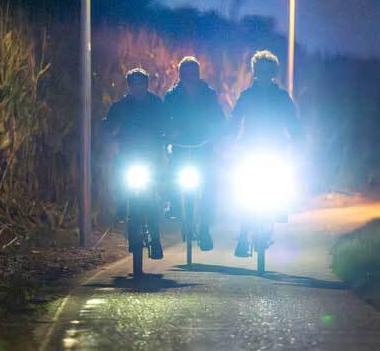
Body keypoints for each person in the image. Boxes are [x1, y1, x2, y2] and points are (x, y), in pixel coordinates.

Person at [230, 50, 302, 257]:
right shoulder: (246, 96)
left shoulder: (281, 97)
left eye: (267, 72)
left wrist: (298, 138)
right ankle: (243, 235)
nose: (263, 75)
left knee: (280, 184)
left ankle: (278, 210)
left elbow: (293, 122)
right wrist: (228, 138)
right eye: (259, 71)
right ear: (254, 72)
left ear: (273, 74)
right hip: (250, 149)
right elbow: (235, 119)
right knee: (243, 192)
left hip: (275, 149)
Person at [163, 56, 226, 251]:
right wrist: (167, 134)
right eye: (186, 73)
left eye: (193, 73)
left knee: (209, 187)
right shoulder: (172, 96)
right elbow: (164, 118)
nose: (190, 77)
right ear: (180, 74)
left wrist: (216, 135)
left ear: (198, 74)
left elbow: (219, 119)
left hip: (203, 147)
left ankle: (205, 229)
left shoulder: (209, 94)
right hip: (180, 147)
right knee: (172, 177)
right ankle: (173, 205)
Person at [102, 68, 166, 259]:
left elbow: (167, 123)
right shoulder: (120, 106)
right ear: (129, 86)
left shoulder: (156, 104)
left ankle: (156, 240)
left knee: (152, 198)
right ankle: (121, 212)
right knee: (121, 183)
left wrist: (168, 134)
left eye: (142, 84)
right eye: (134, 84)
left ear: (147, 85)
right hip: (128, 156)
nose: (138, 88)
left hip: (151, 158)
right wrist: (105, 132)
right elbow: (109, 124)